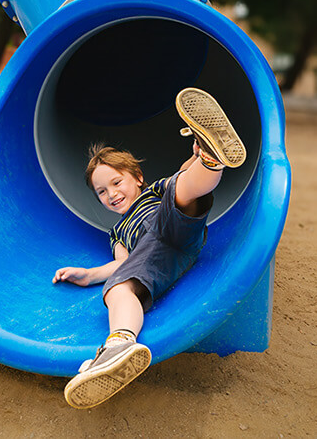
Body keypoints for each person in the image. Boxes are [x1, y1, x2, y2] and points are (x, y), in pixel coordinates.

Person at [50, 87, 247, 409]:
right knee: (118, 287)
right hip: (155, 256)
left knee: (180, 188)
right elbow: (122, 265)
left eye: (117, 182)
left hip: (172, 224)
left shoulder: (152, 192)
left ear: (137, 178)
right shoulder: (117, 232)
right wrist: (88, 275)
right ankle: (120, 344)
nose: (111, 193)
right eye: (101, 191)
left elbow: (180, 182)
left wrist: (193, 157)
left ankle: (210, 158)